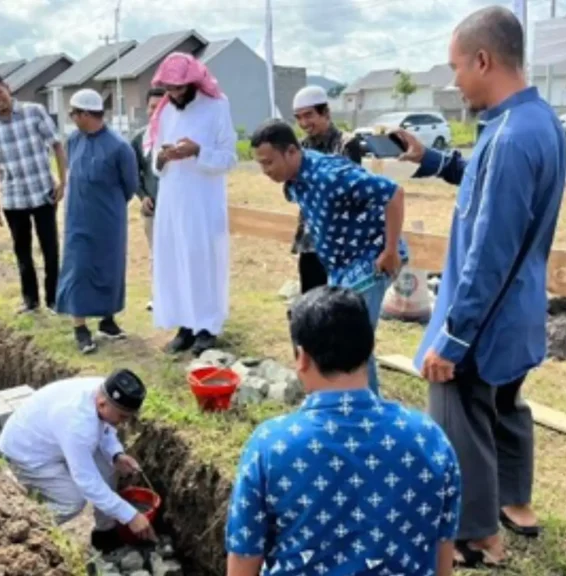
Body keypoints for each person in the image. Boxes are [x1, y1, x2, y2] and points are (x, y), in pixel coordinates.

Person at [393, 5, 566, 568]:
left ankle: (477, 535)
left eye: (457, 67)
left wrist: (454, 337)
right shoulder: (534, 121)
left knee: (459, 404)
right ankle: (516, 503)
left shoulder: (512, 137)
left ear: (484, 59)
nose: (455, 81)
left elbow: (489, 253)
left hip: (487, 311)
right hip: (519, 308)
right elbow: (489, 187)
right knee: (507, 404)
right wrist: (437, 161)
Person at [225, 286, 461, 576]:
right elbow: (443, 552)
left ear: (302, 357)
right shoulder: (429, 437)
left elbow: (244, 557)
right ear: (369, 348)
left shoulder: (270, 445)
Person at [250, 120, 407, 395]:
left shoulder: (331, 175)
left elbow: (394, 193)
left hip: (370, 259)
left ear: (290, 151)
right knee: (346, 338)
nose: (266, 171)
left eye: (269, 162)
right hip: (341, 264)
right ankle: (351, 402)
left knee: (352, 340)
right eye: (261, 165)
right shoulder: (296, 177)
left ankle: (364, 413)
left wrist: (390, 251)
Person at [0, 370, 156, 552]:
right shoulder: (77, 425)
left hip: (53, 435)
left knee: (108, 467)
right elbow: (87, 482)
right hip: (27, 452)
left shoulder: (102, 391)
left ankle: (105, 533)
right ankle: (26, 528)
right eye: (122, 417)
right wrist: (131, 516)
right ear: (102, 403)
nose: (124, 422)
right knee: (72, 502)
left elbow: (104, 427)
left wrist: (116, 454)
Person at [146, 52, 238, 356]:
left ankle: (206, 328)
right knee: (174, 261)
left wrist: (198, 151)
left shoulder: (217, 106)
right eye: (168, 89)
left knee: (202, 261)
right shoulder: (165, 112)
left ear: (193, 83)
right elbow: (154, 158)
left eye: (178, 88)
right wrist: (162, 157)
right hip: (172, 201)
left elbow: (229, 158)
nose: (172, 95)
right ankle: (184, 325)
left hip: (203, 201)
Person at [55, 89, 139, 354]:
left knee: (108, 268)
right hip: (78, 217)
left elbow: (130, 185)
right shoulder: (73, 141)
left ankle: (107, 320)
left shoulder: (119, 147)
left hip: (109, 220)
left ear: (87, 114)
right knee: (78, 269)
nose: (71, 118)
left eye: (74, 113)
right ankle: (80, 328)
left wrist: (108, 206)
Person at [0, 72, 67, 314]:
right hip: (13, 197)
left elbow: (57, 145)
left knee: (50, 247)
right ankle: (30, 300)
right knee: (22, 250)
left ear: (8, 88)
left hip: (43, 192)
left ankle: (54, 299)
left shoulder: (34, 111)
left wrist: (63, 180)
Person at [290, 85, 365, 294]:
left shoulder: (346, 144)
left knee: (341, 306)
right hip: (310, 240)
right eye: (299, 117)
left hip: (341, 241)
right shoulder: (299, 148)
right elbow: (293, 189)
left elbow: (348, 191)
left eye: (309, 115)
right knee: (311, 305)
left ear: (326, 112)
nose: (304, 123)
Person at [131, 88, 167, 312]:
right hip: (152, 209)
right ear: (147, 109)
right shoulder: (139, 139)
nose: (157, 112)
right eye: (153, 107)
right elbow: (131, 172)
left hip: (176, 209)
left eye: (161, 107)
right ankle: (158, 296)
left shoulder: (176, 137)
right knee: (156, 254)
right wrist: (142, 196)